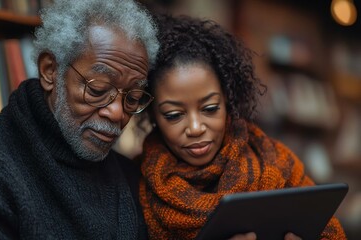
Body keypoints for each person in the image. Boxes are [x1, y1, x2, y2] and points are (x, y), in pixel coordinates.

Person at [0, 0, 159, 239]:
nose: (118, 113)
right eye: (98, 89)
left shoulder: (132, 177)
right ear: (50, 71)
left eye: (132, 98)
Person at [137, 14, 347, 240]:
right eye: (174, 115)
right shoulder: (134, 183)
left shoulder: (277, 161)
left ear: (227, 101)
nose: (196, 128)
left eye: (210, 109)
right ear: (153, 113)